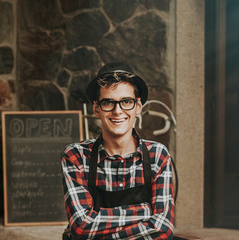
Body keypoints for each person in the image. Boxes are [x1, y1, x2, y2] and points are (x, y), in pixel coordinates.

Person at [60, 63, 175, 239]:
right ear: (96, 109)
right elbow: (82, 227)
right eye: (108, 102)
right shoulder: (76, 155)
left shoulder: (157, 155)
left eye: (126, 102)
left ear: (138, 107)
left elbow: (162, 227)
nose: (117, 111)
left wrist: (100, 227)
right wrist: (145, 211)